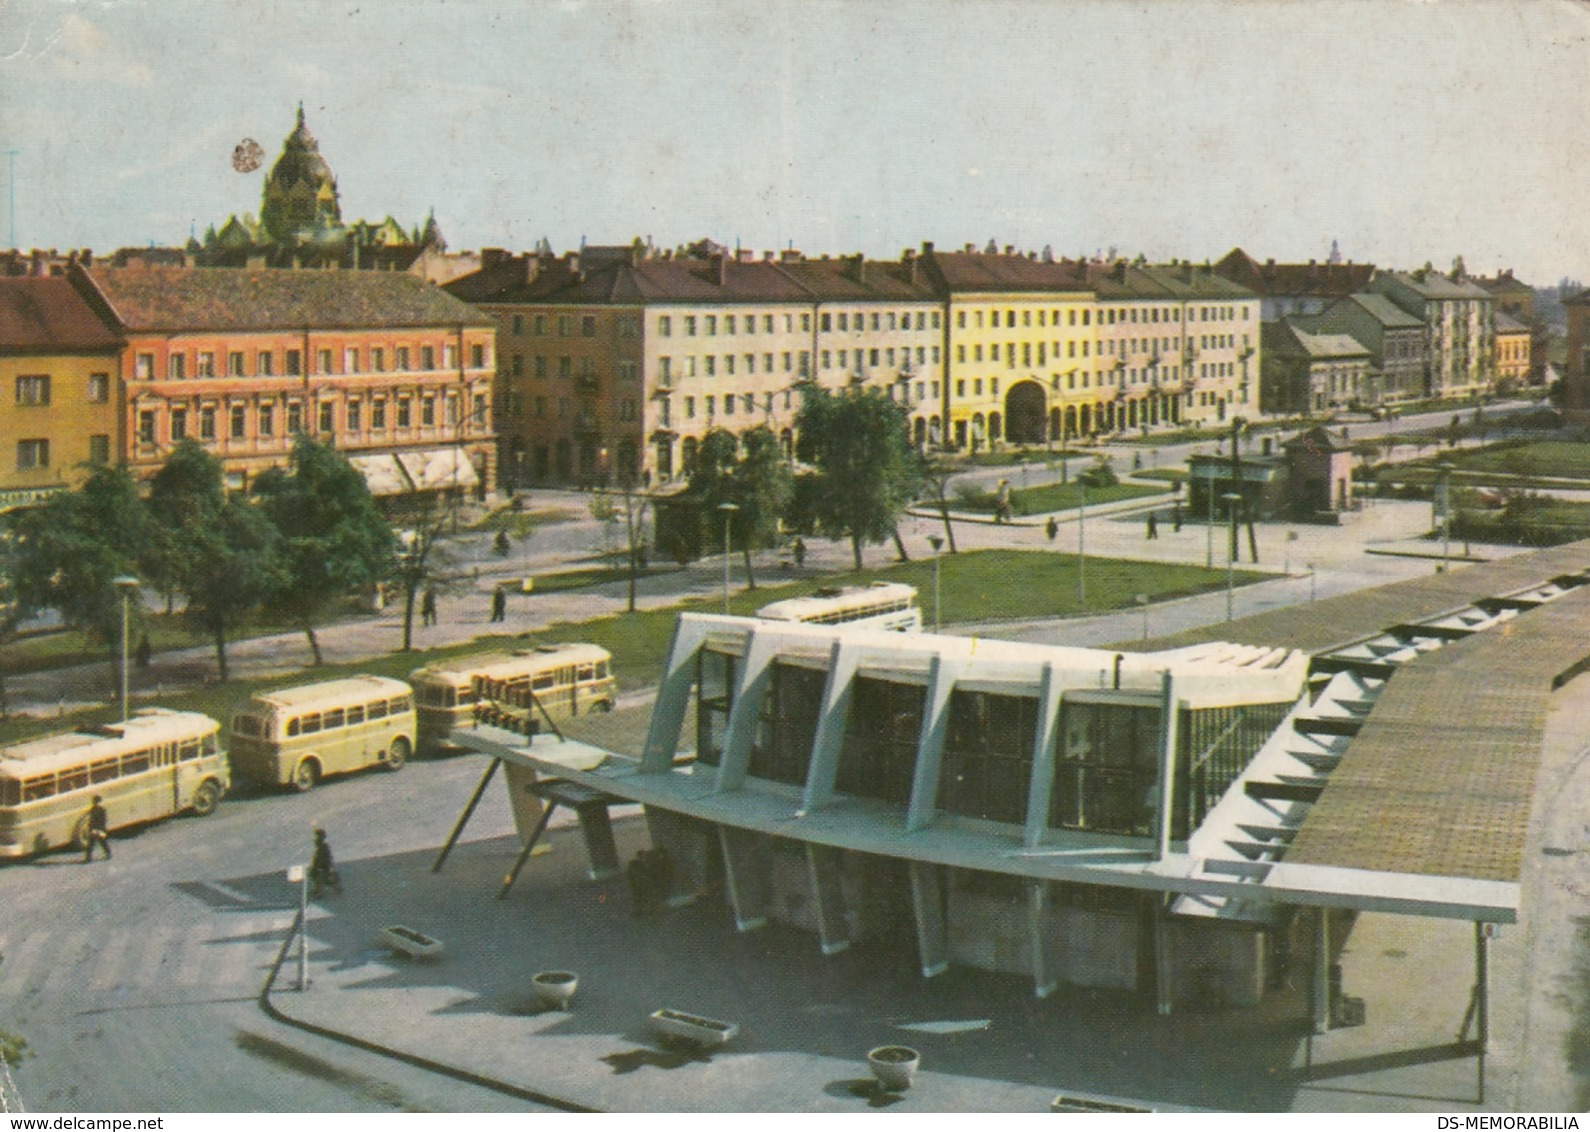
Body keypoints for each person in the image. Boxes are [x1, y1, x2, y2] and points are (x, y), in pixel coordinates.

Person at [310, 828, 340, 896]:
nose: (317, 838)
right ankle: (334, 886)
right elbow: (317, 857)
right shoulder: (320, 846)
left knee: (320, 879)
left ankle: (318, 892)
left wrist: (329, 865)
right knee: (322, 879)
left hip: (323, 866)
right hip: (320, 866)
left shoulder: (324, 847)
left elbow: (327, 857)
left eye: (319, 836)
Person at [83, 795, 111, 863]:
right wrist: (91, 828)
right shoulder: (92, 809)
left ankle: (108, 853)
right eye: (94, 802)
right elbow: (91, 820)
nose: (95, 803)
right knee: (91, 844)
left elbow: (103, 820)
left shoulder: (101, 810)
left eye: (96, 802)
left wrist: (101, 829)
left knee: (102, 842)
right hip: (94, 829)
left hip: (99, 828)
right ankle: (88, 858)